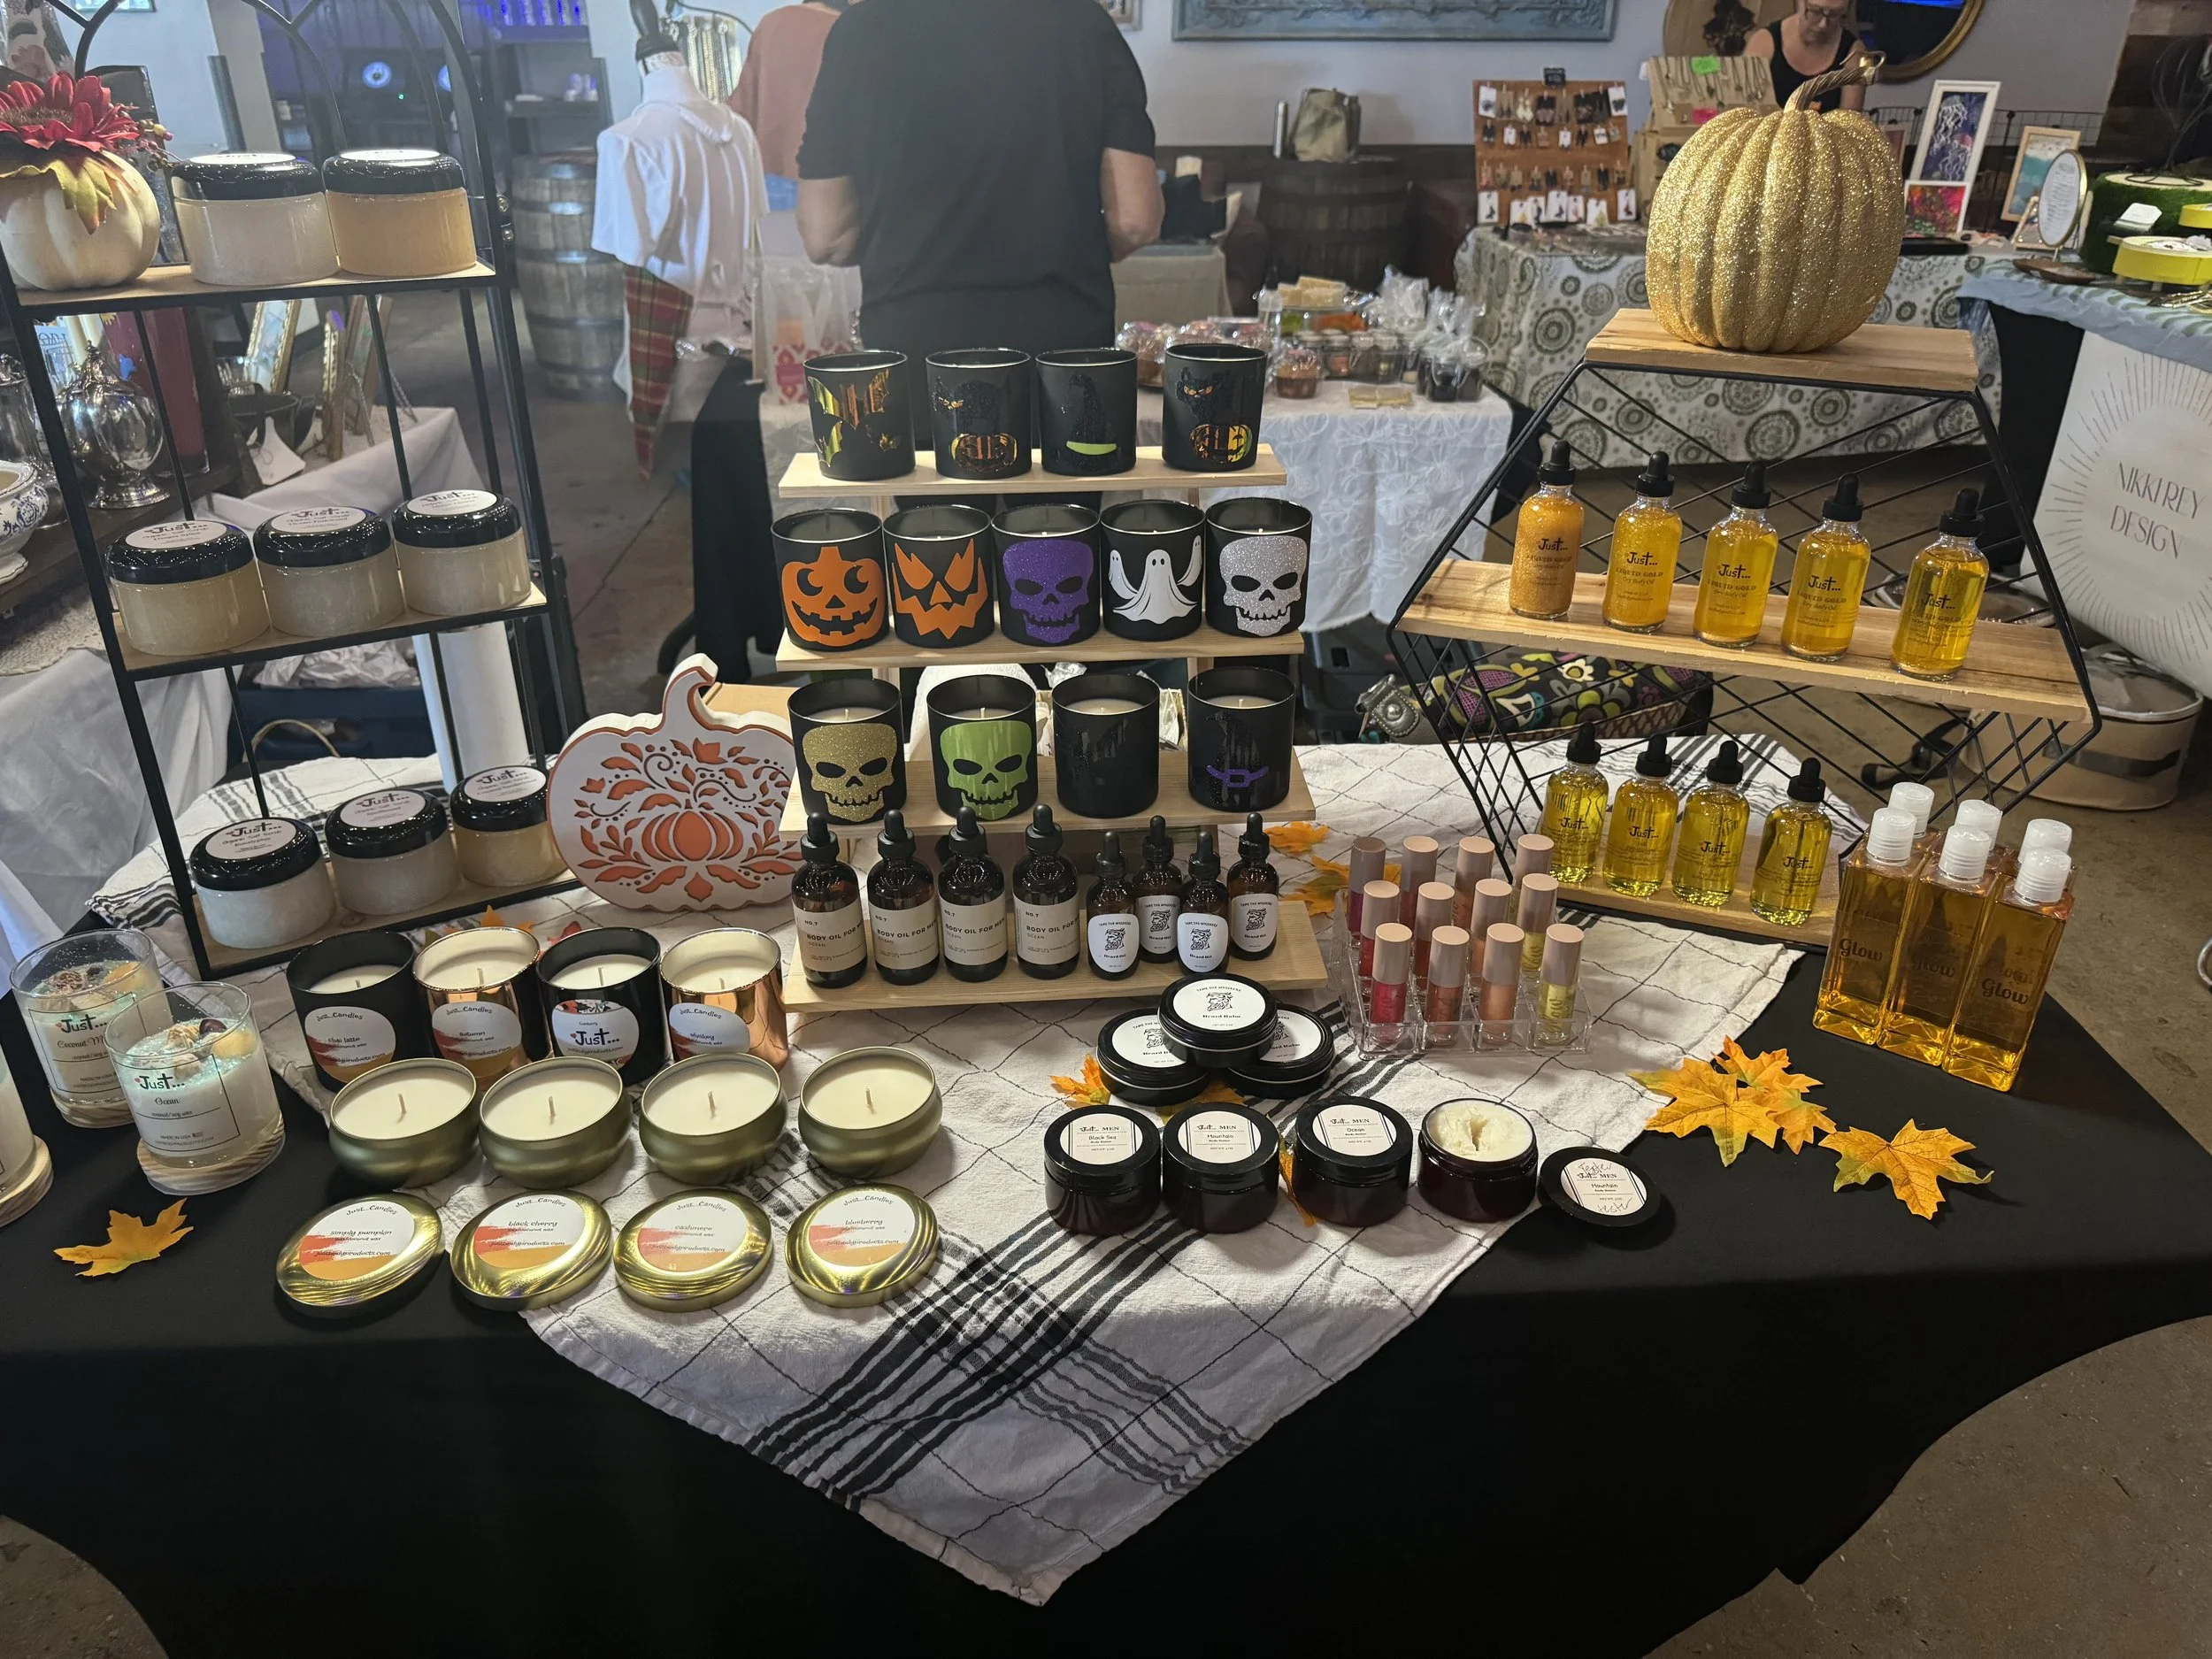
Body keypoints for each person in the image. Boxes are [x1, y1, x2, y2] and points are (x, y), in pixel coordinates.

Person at [795, 0, 1163, 436]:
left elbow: (826, 236)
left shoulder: (860, 29)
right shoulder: (1084, 22)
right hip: (1064, 343)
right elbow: (1135, 220)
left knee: (932, 506)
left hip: (915, 340)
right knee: (1061, 506)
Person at [730, 0, 844, 189]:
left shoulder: (772, 23)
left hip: (766, 178)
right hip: (828, 184)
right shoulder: (850, 30)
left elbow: (741, 110)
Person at [1746, 0, 1866, 112]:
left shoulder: (1853, 52)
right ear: (1800, 3)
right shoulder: (1763, 42)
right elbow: (1745, 114)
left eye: (1834, 15)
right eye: (1815, 11)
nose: (1823, 24)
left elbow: (1850, 123)